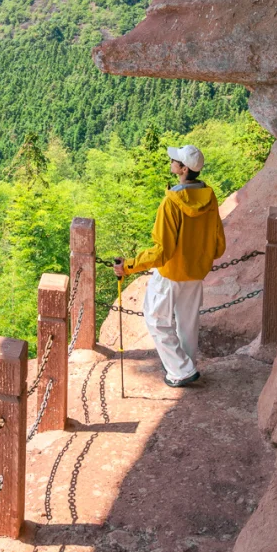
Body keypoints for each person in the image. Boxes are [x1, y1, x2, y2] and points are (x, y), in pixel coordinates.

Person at [112, 144, 226, 388]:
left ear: (183, 169)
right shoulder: (209, 197)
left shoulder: (171, 202)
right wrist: (201, 258)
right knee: (188, 323)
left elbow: (162, 250)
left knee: (156, 319)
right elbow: (218, 244)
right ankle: (185, 365)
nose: (171, 162)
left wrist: (129, 265)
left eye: (175, 160)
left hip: (171, 273)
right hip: (196, 272)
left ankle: (181, 370)